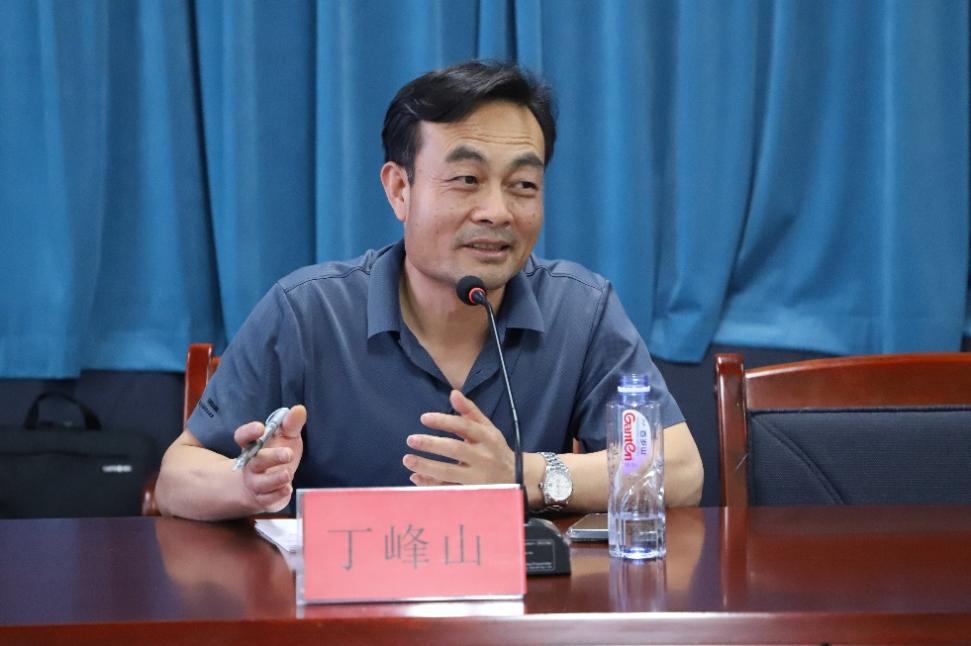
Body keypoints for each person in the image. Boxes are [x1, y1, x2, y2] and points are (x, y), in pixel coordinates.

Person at [156, 60, 703, 521]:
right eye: (467, 180)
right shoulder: (308, 312)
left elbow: (680, 468)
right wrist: (246, 484)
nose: (497, 212)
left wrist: (524, 473)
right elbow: (177, 477)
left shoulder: (579, 309)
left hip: (519, 605)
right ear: (400, 189)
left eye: (523, 185)